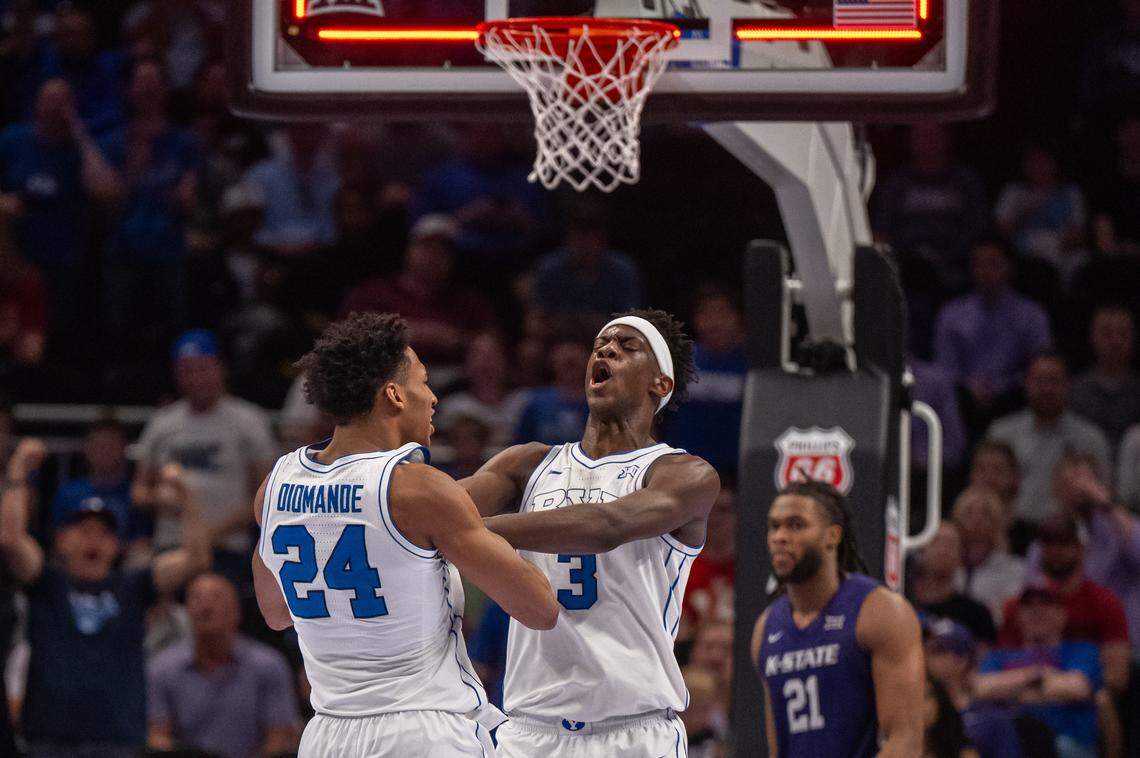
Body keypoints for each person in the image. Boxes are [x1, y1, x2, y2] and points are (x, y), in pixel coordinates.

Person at [253, 312, 559, 757]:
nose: (433, 398)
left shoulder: (274, 486)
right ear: (394, 395)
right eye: (423, 381)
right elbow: (540, 608)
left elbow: (276, 611)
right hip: (421, 732)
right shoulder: (417, 488)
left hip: (326, 735)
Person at [462, 309, 720, 756]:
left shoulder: (684, 473)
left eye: (627, 346)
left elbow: (607, 525)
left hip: (634, 733)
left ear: (661, 384)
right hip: (528, 732)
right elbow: (442, 509)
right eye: (602, 343)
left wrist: (471, 534)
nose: (606, 349)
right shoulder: (527, 463)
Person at [0, 446, 210, 758]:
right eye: (84, 531)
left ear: (116, 546)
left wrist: (186, 496)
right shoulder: (48, 582)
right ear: (62, 541)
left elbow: (196, 558)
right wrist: (17, 473)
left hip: (120, 742)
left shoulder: (134, 586)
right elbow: (10, 540)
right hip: (49, 741)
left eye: (104, 533)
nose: (94, 540)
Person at [751, 481, 925, 757]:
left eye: (796, 525)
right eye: (774, 526)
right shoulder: (766, 627)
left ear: (832, 536)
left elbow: (905, 740)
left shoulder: (880, 610)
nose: (780, 537)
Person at [132, 329, 278, 584]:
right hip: (172, 544)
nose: (197, 379)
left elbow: (267, 496)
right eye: (188, 371)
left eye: (204, 369)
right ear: (177, 376)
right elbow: (139, 491)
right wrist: (159, 498)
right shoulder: (162, 423)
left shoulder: (249, 421)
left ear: (220, 369)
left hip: (228, 548)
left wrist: (213, 532)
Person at [147, 573, 300, 758]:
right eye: (197, 598)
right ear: (186, 611)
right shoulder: (162, 668)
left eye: (216, 597)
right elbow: (157, 737)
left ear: (236, 612)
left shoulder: (268, 665)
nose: (205, 606)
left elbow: (280, 737)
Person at [933, 241, 1052, 435]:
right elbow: (945, 367)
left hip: (1014, 397)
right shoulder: (951, 314)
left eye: (994, 264)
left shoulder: (1031, 314)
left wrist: (1002, 386)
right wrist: (970, 386)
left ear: (1009, 267)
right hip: (965, 399)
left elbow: (1041, 363)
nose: (986, 272)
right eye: (980, 265)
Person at [975, 585, 1103, 758]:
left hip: (1065, 740)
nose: (1036, 611)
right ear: (1018, 615)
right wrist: (1037, 676)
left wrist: (1010, 690)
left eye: (1045, 605)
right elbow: (981, 689)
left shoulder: (1082, 650)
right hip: (1008, 740)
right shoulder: (999, 656)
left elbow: (1077, 688)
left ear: (1062, 614)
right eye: (1029, 606)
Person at [987, 354, 1111, 526]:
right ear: (1026, 383)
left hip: (1070, 536)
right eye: (1039, 380)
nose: (1046, 389)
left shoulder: (1091, 439)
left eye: (1053, 381)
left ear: (1069, 385)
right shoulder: (1002, 434)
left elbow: (1104, 497)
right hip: (1011, 529)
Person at [923, 619, 1024, 758]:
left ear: (961, 660)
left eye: (936, 651)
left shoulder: (991, 719)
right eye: (923, 649)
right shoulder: (917, 717)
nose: (924, 657)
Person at [911, 522, 998, 645]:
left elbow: (984, 661)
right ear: (921, 549)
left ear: (961, 555)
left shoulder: (977, 614)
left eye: (950, 544)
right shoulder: (901, 600)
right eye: (936, 541)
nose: (943, 550)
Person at [1070, 305, 1140, 454]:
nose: (1115, 341)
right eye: (1107, 333)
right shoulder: (1074, 391)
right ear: (1092, 337)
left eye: (1122, 334)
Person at [951, 487, 1026, 621]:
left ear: (997, 522)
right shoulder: (946, 565)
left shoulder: (1013, 569)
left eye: (986, 513)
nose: (977, 519)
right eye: (969, 513)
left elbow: (1007, 612)